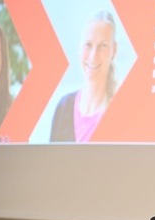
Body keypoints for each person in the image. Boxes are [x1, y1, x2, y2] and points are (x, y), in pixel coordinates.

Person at [50, 11, 117, 142]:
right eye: (88, 45)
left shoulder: (119, 111)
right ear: (79, 48)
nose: (93, 55)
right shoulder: (63, 107)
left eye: (103, 46)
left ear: (114, 50)